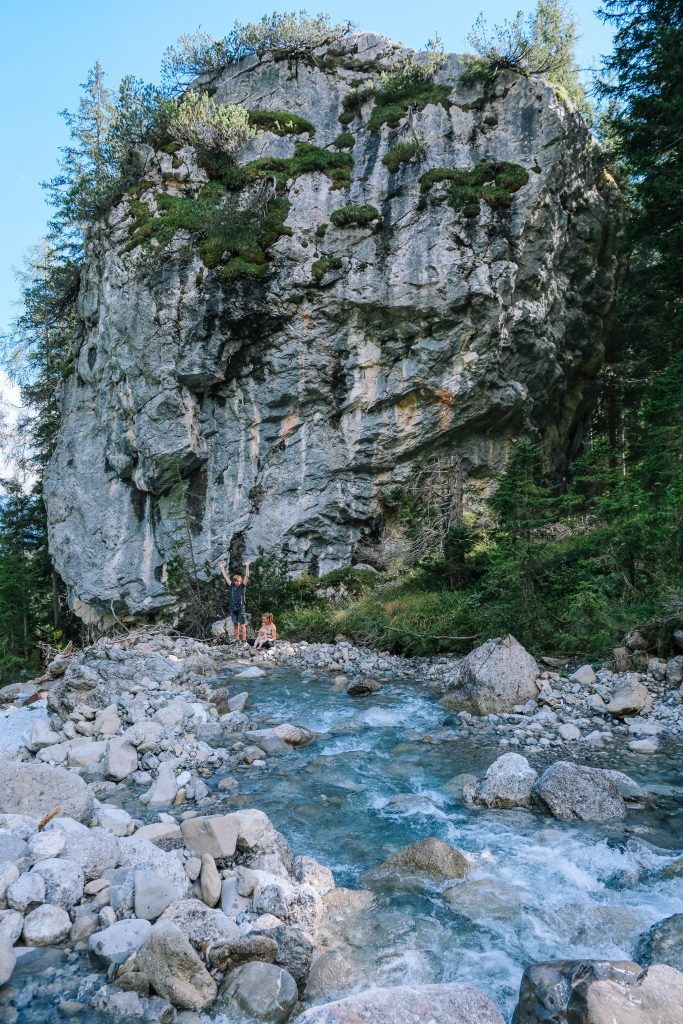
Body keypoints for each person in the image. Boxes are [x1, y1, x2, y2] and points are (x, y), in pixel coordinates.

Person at [217, 559, 250, 643]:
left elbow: (247, 576)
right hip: (233, 608)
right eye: (235, 581)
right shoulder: (231, 586)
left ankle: (244, 641)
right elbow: (225, 577)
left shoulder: (243, 586)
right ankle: (237, 640)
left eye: (238, 581)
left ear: (240, 581)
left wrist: (247, 566)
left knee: (242, 625)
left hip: (241, 607)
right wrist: (222, 567)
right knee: (235, 625)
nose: (236, 582)